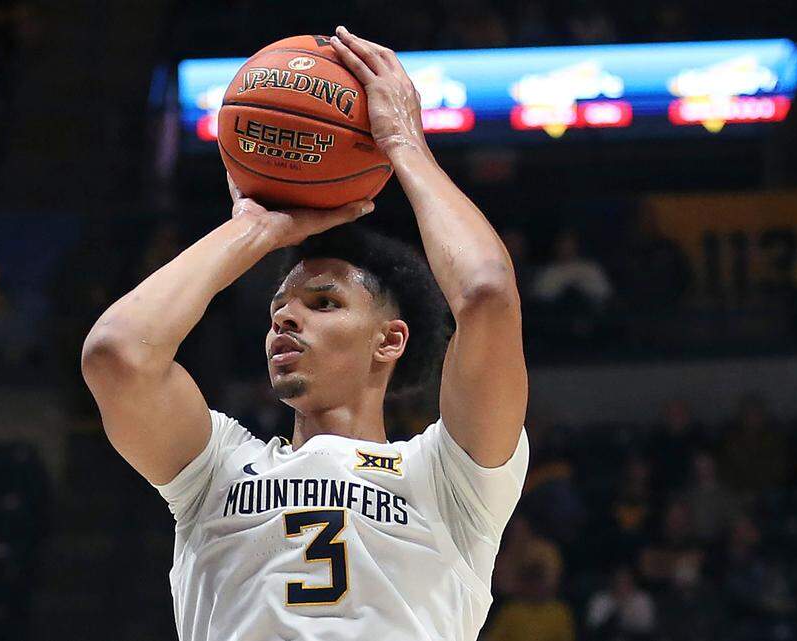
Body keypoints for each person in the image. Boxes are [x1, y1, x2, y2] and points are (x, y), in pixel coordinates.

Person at [82, 26, 529, 641]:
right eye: (278, 308)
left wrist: (405, 144)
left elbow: (486, 295)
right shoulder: (216, 470)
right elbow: (117, 355)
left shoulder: (449, 480)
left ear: (389, 340)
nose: (286, 319)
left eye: (323, 303)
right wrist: (252, 231)